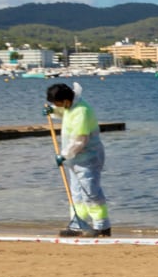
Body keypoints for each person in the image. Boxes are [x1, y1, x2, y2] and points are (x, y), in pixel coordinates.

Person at [46, 83, 110, 238]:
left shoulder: (82, 111)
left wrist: (64, 155)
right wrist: (53, 111)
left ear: (66, 100)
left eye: (57, 103)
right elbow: (65, 113)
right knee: (76, 194)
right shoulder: (71, 107)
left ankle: (102, 226)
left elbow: (80, 141)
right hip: (75, 158)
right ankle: (78, 224)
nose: (57, 106)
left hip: (88, 157)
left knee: (90, 191)